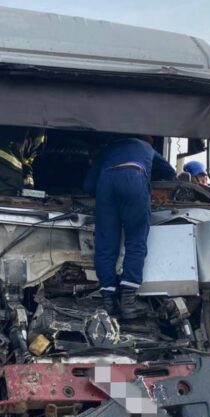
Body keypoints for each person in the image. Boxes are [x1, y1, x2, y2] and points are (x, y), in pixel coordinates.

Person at [84, 136, 176, 319]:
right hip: (133, 177)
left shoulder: (108, 150)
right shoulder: (146, 147)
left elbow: (88, 185)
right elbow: (170, 172)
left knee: (106, 242)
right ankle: (128, 301)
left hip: (106, 183)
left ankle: (108, 301)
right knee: (136, 239)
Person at [0, 125, 47, 196]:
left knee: (1, 194)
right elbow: (26, 164)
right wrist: (29, 187)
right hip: (6, 157)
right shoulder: (40, 130)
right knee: (11, 199)